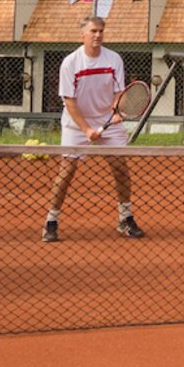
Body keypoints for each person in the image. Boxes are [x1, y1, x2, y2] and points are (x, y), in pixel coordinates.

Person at [42, 16, 145, 242]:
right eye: (93, 31)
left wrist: (117, 110)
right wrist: (87, 129)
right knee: (67, 171)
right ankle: (51, 221)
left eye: (101, 31)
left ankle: (125, 218)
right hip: (75, 123)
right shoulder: (71, 63)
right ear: (83, 35)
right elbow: (69, 102)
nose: (97, 35)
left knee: (120, 167)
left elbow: (119, 92)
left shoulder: (114, 59)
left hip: (107, 120)